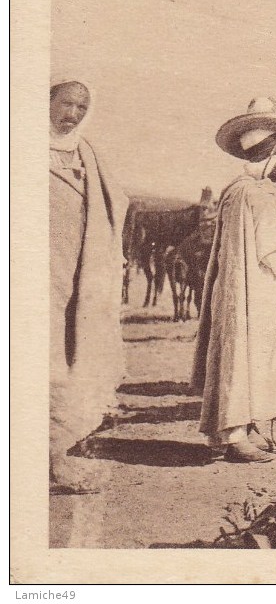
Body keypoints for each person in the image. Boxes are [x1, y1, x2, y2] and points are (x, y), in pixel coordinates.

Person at [192, 97, 276, 463]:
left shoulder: (239, 191)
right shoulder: (256, 196)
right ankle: (234, 435)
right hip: (253, 293)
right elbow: (273, 249)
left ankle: (243, 427)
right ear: (274, 156)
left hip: (249, 289)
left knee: (250, 358)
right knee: (245, 357)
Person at [49, 77, 129, 494]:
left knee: (70, 358)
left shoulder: (86, 153)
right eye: (66, 104)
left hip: (80, 277)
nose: (73, 113)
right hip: (33, 276)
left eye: (82, 106)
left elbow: (114, 203)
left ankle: (56, 451)